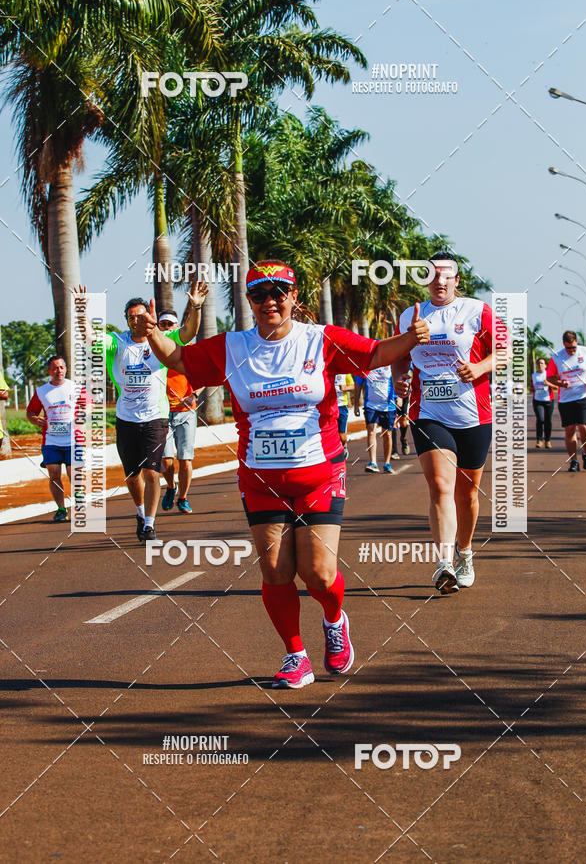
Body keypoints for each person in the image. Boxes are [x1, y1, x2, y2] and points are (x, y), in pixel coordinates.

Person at [140, 260, 430, 689]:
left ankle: (334, 619)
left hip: (320, 473)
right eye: (259, 295)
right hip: (261, 480)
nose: (270, 302)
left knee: (318, 574)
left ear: (294, 298)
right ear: (249, 302)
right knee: (275, 570)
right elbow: (180, 359)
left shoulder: (320, 339)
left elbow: (375, 354)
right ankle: (296, 653)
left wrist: (411, 338)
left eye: (279, 293)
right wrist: (152, 333)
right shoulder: (232, 347)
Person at [392, 252, 509, 594]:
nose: (439, 282)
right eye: (432, 276)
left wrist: (480, 368)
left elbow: (505, 350)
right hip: (428, 412)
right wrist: (400, 379)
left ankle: (465, 551)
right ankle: (444, 563)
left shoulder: (477, 311)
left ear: (457, 280)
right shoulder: (410, 315)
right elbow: (398, 357)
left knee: (467, 492)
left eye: (446, 276)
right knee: (441, 487)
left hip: (474, 414)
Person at [78, 282, 207, 541]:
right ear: (127, 321)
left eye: (141, 315)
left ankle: (149, 525)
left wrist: (195, 306)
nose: (137, 320)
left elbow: (188, 332)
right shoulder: (116, 342)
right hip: (126, 419)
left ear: (149, 317)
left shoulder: (162, 339)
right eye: (131, 317)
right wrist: (82, 312)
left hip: (155, 417)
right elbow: (91, 338)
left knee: (151, 472)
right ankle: (139, 512)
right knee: (132, 475)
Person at [26, 356, 87, 522]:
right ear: (48, 371)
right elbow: (31, 412)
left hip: (73, 439)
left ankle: (79, 494)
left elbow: (88, 404)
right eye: (54, 368)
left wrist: (82, 415)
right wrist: (35, 419)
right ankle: (61, 509)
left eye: (61, 367)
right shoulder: (42, 391)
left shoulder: (75, 387)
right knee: (54, 474)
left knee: (73, 472)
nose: (58, 371)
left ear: (65, 369)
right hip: (51, 440)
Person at [158, 309, 200, 514]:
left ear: (177, 327)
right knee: (166, 461)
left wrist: (195, 395)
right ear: (158, 327)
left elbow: (204, 374)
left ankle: (183, 497)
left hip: (186, 411)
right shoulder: (152, 351)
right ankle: (171, 487)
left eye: (170, 324)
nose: (166, 328)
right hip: (162, 412)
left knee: (185, 458)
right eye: (163, 324)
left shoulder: (189, 349)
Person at [546, 331, 586, 472]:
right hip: (566, 399)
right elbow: (549, 377)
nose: (571, 351)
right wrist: (561, 383)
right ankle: (573, 461)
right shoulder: (557, 357)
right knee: (570, 430)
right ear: (564, 345)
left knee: (583, 426)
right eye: (568, 348)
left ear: (577, 343)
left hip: (584, 396)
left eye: (574, 348)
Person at [354, 364, 397, 474]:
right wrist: (356, 404)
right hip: (371, 405)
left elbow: (397, 379)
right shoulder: (368, 364)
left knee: (387, 434)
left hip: (388, 406)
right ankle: (373, 462)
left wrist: (399, 397)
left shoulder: (391, 364)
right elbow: (358, 383)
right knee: (371, 431)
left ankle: (387, 463)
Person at [531, 358, 554, 449]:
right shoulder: (533, 375)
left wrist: (548, 383)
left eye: (542, 363)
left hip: (548, 400)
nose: (540, 365)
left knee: (548, 421)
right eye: (538, 363)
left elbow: (557, 386)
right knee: (540, 419)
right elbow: (531, 388)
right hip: (537, 400)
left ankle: (547, 440)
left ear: (545, 365)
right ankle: (539, 440)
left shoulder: (549, 375)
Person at [334, 373, 353, 459]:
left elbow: (353, 385)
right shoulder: (327, 371)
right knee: (331, 432)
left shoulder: (345, 373)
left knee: (342, 436)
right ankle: (335, 452)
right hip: (331, 406)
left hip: (342, 405)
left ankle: (344, 446)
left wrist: (345, 388)